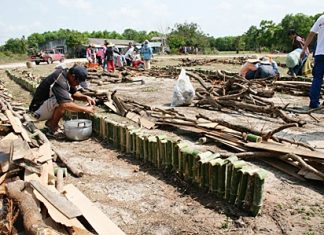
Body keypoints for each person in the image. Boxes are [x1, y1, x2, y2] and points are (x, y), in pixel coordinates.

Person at [29, 65, 96, 135]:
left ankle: (51, 123)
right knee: (65, 101)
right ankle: (53, 127)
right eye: (78, 82)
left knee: (67, 98)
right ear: (73, 76)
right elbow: (65, 104)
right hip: (37, 111)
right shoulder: (59, 80)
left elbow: (74, 93)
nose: (78, 84)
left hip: (44, 107)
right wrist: (85, 109)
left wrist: (85, 97)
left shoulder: (66, 76)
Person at [300, 15, 324, 108]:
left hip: (320, 53)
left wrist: (304, 49)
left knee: (317, 79)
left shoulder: (322, 18)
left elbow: (311, 34)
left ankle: (314, 103)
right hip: (319, 54)